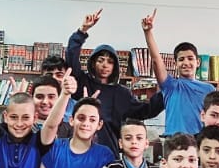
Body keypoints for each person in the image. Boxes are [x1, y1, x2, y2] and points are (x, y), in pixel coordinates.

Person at [66, 10, 165, 145]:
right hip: (81, 147)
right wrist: (82, 30)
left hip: (109, 150)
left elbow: (146, 110)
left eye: (110, 62)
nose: (105, 65)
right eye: (101, 60)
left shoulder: (121, 93)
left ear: (115, 67)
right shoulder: (83, 83)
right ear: (93, 63)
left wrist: (167, 91)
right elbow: (71, 55)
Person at [142, 9, 214, 136]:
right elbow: (156, 60)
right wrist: (148, 32)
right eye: (181, 59)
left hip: (198, 141)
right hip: (173, 141)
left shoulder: (209, 89)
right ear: (175, 64)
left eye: (190, 58)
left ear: (198, 62)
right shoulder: (170, 86)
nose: (186, 62)